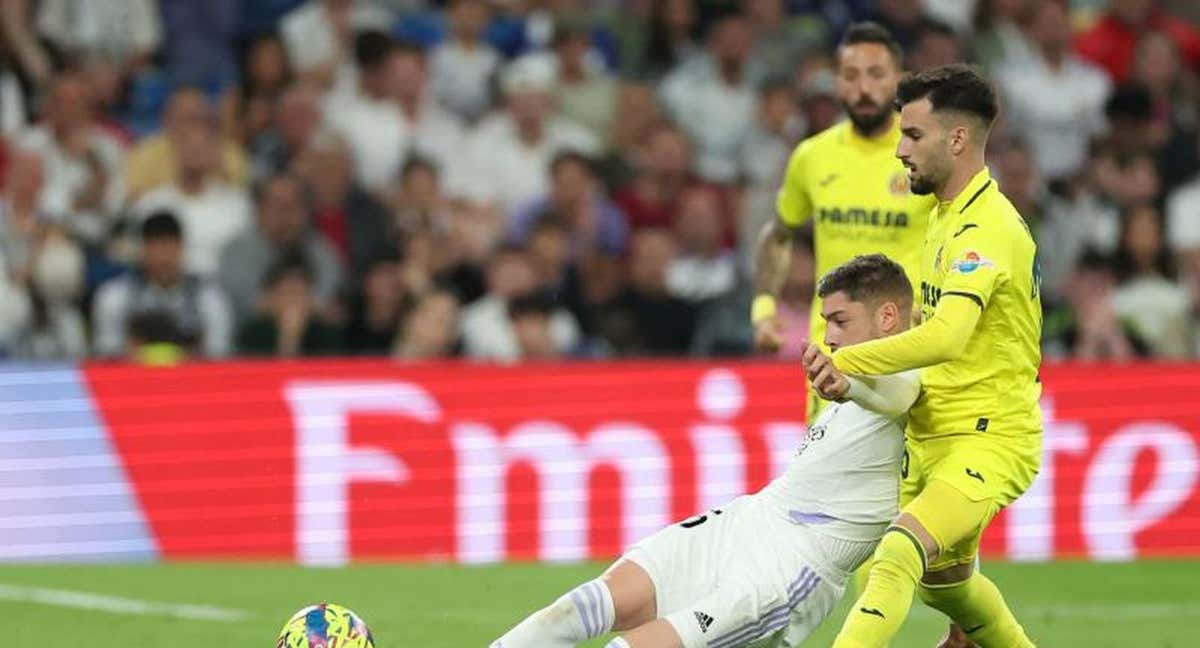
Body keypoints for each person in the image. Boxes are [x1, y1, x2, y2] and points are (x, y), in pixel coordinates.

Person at [491, 254, 921, 648]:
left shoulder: (918, 377)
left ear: (887, 317)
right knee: (574, 611)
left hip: (791, 570)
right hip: (748, 520)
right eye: (826, 322)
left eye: (841, 321)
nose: (829, 337)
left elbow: (903, 396)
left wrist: (847, 385)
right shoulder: (858, 369)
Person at [809, 64, 1040, 648]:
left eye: (912, 135)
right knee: (948, 590)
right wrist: (858, 384)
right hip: (931, 435)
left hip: (987, 439)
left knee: (895, 554)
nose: (900, 151)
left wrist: (852, 361)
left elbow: (945, 339)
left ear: (956, 139)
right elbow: (924, 348)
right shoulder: (944, 217)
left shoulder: (985, 229)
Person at [753, 22, 936, 425]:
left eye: (876, 74)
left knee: (909, 485)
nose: (863, 88)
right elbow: (779, 234)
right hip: (832, 362)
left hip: (910, 356)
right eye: (851, 76)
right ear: (837, 82)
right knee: (829, 486)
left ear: (899, 80)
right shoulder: (812, 156)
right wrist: (765, 307)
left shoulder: (923, 154)